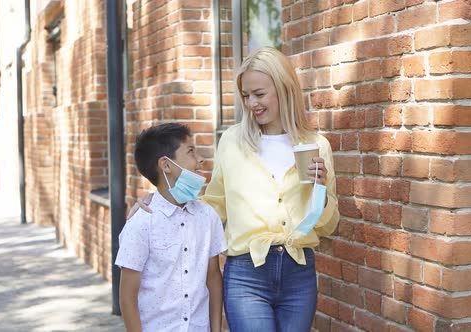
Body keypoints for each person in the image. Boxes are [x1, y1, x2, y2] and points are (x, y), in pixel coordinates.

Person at [130, 47, 339, 332]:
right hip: (246, 274)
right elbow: (213, 205)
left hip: (298, 273)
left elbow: (328, 226)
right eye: (245, 96)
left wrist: (321, 190)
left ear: (284, 88)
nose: (251, 103)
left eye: (259, 94)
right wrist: (159, 202)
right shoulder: (232, 141)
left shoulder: (317, 146)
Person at [116, 123, 227, 332]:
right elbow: (127, 298)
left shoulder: (207, 217)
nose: (200, 160)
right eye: (191, 151)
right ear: (166, 165)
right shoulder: (141, 223)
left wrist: (216, 329)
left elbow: (213, 278)